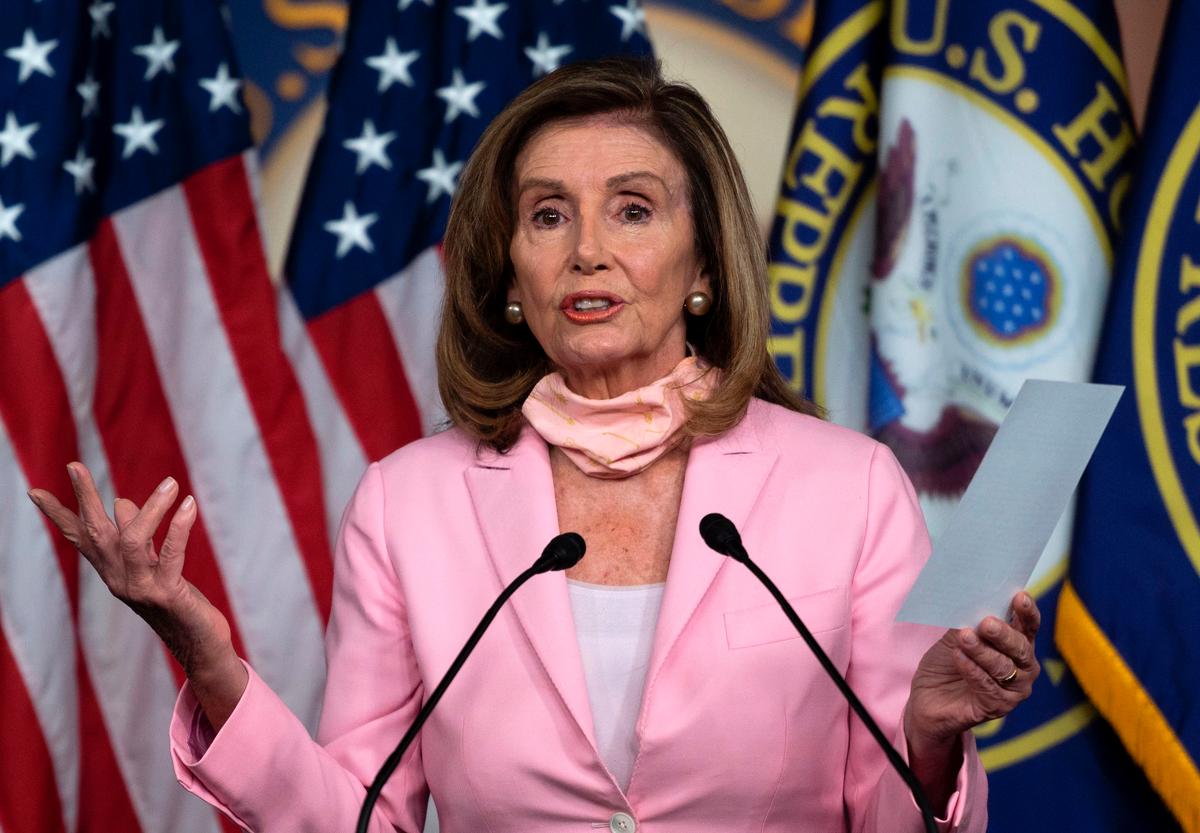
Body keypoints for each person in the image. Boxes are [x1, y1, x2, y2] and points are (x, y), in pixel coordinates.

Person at [28, 57, 1040, 833]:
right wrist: (209, 663)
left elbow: (891, 812)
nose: (587, 248)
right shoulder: (408, 504)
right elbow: (363, 810)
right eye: (548, 215)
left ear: (703, 265)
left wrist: (930, 733)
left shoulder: (846, 488)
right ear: (512, 275)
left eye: (632, 210)